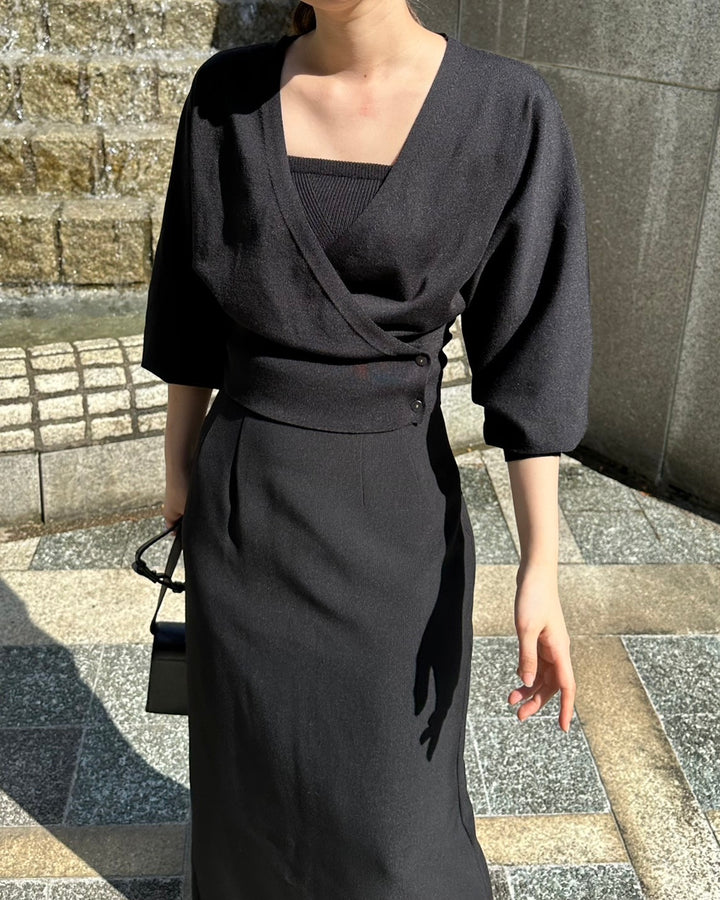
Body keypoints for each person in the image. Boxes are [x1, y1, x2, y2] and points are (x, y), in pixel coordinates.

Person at [141, 0, 593, 896]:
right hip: (247, 507)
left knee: (396, 818)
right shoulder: (225, 94)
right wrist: (179, 469)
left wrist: (540, 567)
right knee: (249, 790)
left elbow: (533, 350)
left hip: (396, 517)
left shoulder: (507, 109)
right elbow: (187, 310)